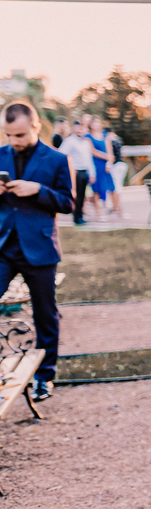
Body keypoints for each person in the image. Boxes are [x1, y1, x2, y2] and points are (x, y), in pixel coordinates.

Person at [0, 102, 75, 400]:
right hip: (3, 246)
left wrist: (38, 190)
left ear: (36, 127)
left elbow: (68, 203)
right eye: (8, 134)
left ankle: (44, 377)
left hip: (40, 248)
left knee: (45, 315)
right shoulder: (0, 154)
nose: (13, 141)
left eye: (19, 135)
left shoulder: (57, 159)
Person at [58, 120, 94, 225]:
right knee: (76, 195)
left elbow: (89, 159)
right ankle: (76, 216)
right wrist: (70, 168)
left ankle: (80, 215)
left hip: (84, 171)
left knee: (82, 195)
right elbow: (61, 154)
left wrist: (92, 173)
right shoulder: (70, 141)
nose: (80, 130)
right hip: (75, 171)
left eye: (82, 128)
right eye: (78, 127)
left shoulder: (85, 143)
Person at [86, 116, 114, 220]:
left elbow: (109, 149)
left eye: (97, 122)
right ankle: (98, 213)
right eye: (93, 123)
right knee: (96, 189)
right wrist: (106, 156)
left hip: (105, 165)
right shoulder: (88, 136)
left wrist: (109, 162)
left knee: (110, 187)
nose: (95, 125)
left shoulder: (105, 135)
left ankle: (115, 209)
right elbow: (92, 151)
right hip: (95, 164)